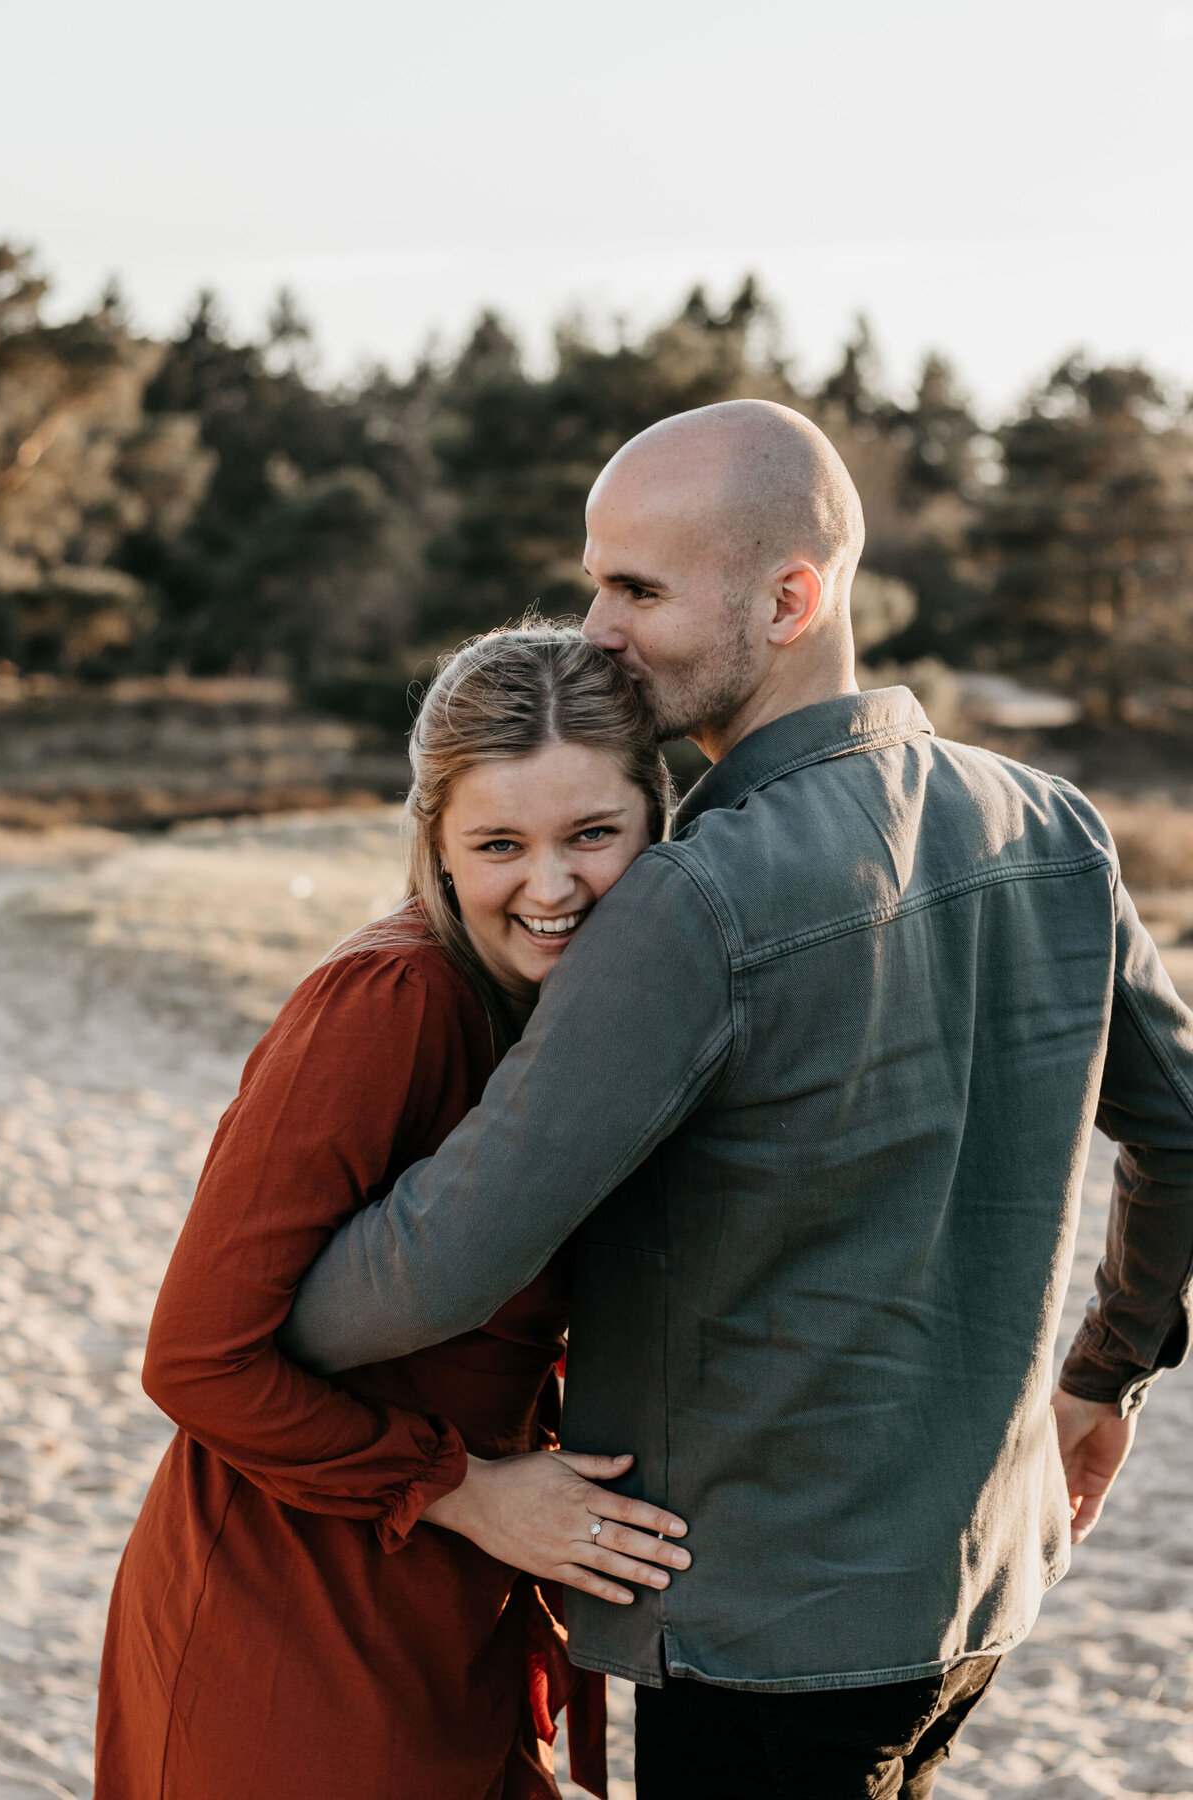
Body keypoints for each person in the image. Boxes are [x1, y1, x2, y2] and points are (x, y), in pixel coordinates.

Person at [281, 400, 1193, 1800]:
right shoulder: (1053, 824)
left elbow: (447, 1255)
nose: (593, 628)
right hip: (978, 1603)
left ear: (791, 597)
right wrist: (1105, 1375)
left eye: (637, 588)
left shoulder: (693, 898)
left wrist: (265, 1323)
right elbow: (1179, 1125)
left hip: (766, 1637)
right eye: (595, 578)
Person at [94, 627, 695, 1800]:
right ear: (437, 843)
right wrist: (470, 1490)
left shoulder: (578, 1013)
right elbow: (194, 1361)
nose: (552, 885)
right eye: (499, 845)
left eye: (592, 835)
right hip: (293, 1615)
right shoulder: (394, 999)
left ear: (656, 821)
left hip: (452, 1608)